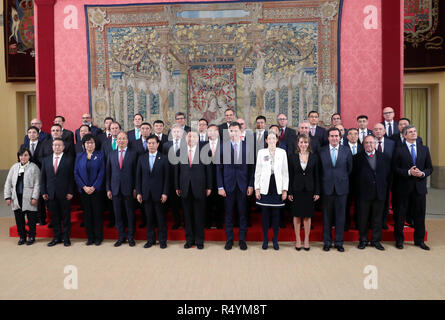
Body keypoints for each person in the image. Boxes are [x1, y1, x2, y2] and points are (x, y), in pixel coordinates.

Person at [392, 125, 433, 250]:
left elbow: (429, 168)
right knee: (400, 215)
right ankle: (399, 240)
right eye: (410, 132)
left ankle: (419, 240)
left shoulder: (424, 149)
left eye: (415, 131)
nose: (413, 133)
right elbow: (394, 169)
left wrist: (423, 173)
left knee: (420, 215)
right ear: (405, 135)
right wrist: (408, 172)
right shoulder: (398, 149)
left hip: (419, 188)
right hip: (403, 188)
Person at [217, 122, 254, 251]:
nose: (233, 133)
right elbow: (219, 168)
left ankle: (242, 239)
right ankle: (229, 239)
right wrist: (220, 186)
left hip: (243, 185)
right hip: (228, 186)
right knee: (228, 214)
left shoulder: (248, 147)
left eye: (236, 131)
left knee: (243, 213)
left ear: (240, 132)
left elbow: (251, 168)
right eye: (231, 131)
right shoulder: (222, 147)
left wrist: (250, 185)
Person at [175, 131, 212, 249]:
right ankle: (189, 240)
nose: (191, 138)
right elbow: (177, 171)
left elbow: (209, 171)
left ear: (198, 138)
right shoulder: (180, 151)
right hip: (185, 187)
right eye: (189, 136)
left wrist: (209, 186)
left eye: (194, 136)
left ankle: (199, 240)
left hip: (200, 187)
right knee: (187, 215)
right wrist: (177, 186)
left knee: (199, 215)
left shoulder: (205, 150)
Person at [319, 127, 352, 252]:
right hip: (326, 188)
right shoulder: (321, 151)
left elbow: (349, 169)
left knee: (340, 217)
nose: (334, 138)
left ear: (340, 137)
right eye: (332, 136)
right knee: (326, 217)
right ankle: (327, 242)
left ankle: (339, 242)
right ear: (328, 138)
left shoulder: (346, 150)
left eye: (336, 136)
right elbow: (319, 170)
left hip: (341, 189)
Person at [354, 135, 390, 251]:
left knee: (377, 218)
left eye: (371, 143)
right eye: (366, 143)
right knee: (363, 218)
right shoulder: (357, 158)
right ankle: (363, 240)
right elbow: (353, 177)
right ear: (363, 145)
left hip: (379, 193)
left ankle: (376, 240)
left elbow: (388, 175)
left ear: (375, 144)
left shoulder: (384, 157)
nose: (369, 145)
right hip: (363, 194)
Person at [254, 132, 289, 250]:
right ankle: (265, 239)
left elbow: (285, 172)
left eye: (274, 138)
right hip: (265, 187)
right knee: (265, 216)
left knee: (276, 215)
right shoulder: (261, 153)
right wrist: (257, 189)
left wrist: (285, 190)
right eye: (269, 138)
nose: (272, 140)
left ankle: (275, 240)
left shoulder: (282, 152)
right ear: (266, 140)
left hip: (277, 186)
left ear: (277, 140)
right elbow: (257, 171)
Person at [136, 135, 169, 249]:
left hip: (159, 194)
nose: (151, 145)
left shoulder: (163, 158)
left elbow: (167, 178)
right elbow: (138, 177)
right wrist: (139, 192)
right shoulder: (141, 158)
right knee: (149, 219)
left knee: (160, 218)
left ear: (158, 144)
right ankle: (150, 240)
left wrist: (165, 192)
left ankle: (162, 240)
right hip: (146, 193)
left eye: (153, 143)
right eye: (149, 143)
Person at [288, 134, 320, 251]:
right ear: (298, 143)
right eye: (301, 142)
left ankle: (306, 239)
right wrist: (290, 191)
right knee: (296, 216)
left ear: (308, 144)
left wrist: (317, 191)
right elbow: (290, 175)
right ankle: (298, 240)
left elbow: (317, 175)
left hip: (310, 190)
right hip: (296, 190)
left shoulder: (314, 157)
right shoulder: (292, 156)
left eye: (305, 143)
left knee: (307, 216)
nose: (303, 145)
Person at [40, 138, 74, 247]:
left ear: (63, 147)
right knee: (54, 217)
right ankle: (56, 237)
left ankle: (66, 238)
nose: (57, 147)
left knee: (66, 217)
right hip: (51, 193)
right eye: (55, 145)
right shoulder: (46, 160)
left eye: (59, 145)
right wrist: (43, 191)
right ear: (52, 146)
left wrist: (70, 192)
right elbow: (43, 178)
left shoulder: (69, 159)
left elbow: (71, 178)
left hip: (65, 194)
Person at [106, 132, 138, 247]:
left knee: (130, 214)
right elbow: (108, 173)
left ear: (127, 141)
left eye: (123, 139)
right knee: (118, 215)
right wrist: (108, 188)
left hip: (129, 189)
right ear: (116, 141)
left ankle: (130, 237)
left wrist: (135, 188)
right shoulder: (111, 154)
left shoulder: (133, 154)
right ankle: (121, 237)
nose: (121, 141)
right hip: (115, 189)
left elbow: (136, 173)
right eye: (119, 139)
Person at [4, 148, 40, 245]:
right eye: (21, 155)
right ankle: (22, 236)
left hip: (29, 198)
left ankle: (31, 236)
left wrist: (35, 197)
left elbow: (37, 184)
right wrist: (7, 197)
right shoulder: (14, 167)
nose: (23, 157)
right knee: (19, 220)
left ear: (29, 156)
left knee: (31, 219)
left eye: (25, 155)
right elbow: (8, 183)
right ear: (18, 156)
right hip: (16, 197)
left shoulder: (34, 167)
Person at [74, 134, 105, 246]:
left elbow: (102, 172)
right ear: (84, 144)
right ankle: (90, 237)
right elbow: (76, 173)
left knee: (97, 214)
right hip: (84, 191)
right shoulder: (79, 156)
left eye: (91, 142)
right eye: (87, 143)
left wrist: (94, 186)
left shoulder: (100, 155)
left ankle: (98, 237)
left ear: (95, 144)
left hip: (96, 190)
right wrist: (84, 187)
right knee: (87, 214)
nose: (89, 145)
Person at [373, 123, 395, 229]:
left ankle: (383, 222)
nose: (378, 131)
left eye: (380, 129)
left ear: (384, 131)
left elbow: (394, 161)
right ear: (373, 132)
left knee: (385, 201)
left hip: (386, 177)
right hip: (372, 178)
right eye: (376, 129)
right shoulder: (368, 142)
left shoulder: (392, 143)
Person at [163, 124, 185, 229]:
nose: (176, 134)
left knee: (184, 202)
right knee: (174, 203)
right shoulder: (166, 145)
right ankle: (177, 222)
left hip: (184, 177)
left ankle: (186, 222)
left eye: (178, 132)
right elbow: (164, 161)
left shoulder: (186, 144)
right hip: (171, 177)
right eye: (174, 132)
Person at [344, 128, 363, 230]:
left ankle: (357, 223)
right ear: (347, 137)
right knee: (346, 204)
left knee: (359, 204)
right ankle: (346, 224)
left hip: (359, 181)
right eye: (350, 134)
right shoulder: (342, 148)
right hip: (346, 180)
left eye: (356, 134)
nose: (353, 136)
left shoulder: (362, 148)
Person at [205, 124, 224, 229]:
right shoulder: (202, 145)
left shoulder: (224, 145)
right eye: (210, 131)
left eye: (214, 131)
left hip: (220, 178)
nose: (212, 133)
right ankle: (207, 222)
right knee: (207, 201)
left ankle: (219, 222)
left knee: (220, 202)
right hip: (207, 178)